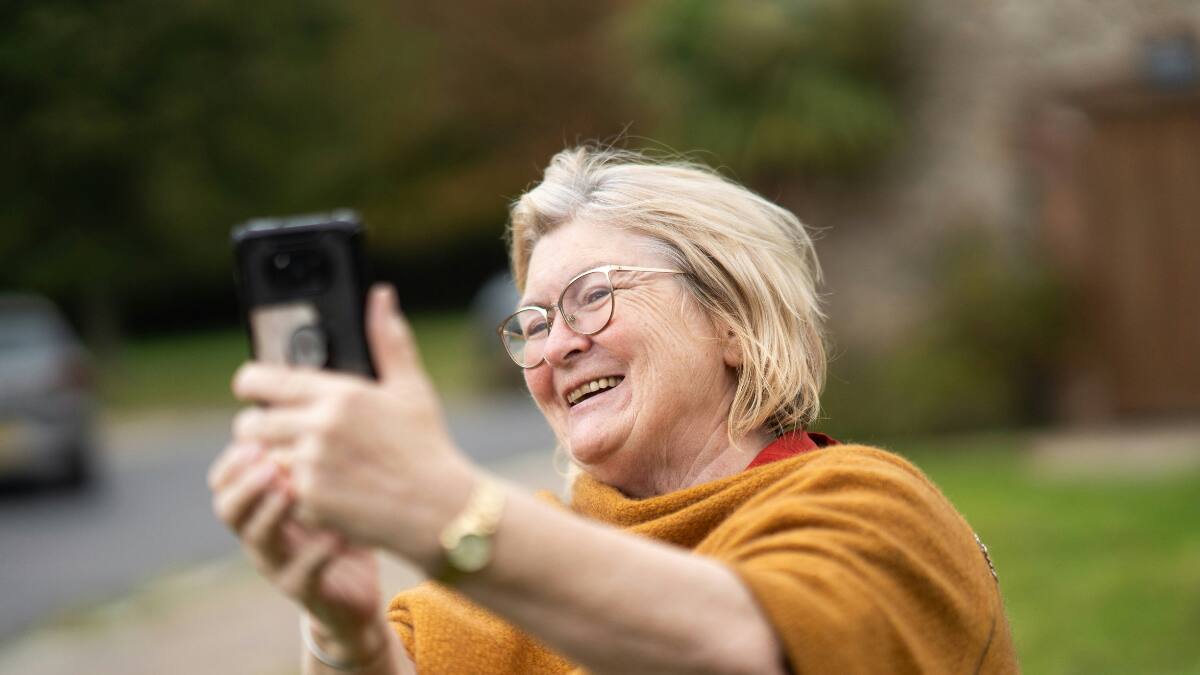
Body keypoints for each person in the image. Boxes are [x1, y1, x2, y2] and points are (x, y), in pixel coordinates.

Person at [209, 146, 1018, 674]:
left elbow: (747, 648)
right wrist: (343, 633)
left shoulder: (876, 508)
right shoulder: (491, 593)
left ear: (733, 320)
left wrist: (437, 504)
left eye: (593, 298)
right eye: (531, 323)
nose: (556, 346)